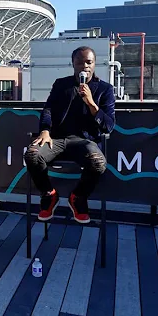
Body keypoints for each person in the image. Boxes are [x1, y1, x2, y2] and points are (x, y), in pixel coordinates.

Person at [24, 45, 115, 224]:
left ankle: (78, 197)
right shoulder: (61, 84)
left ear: (95, 64)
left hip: (84, 141)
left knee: (98, 163)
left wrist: (91, 104)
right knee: (32, 154)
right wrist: (45, 130)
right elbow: (48, 109)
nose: (85, 66)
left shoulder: (105, 89)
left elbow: (109, 126)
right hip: (56, 138)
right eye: (80, 62)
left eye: (89, 62)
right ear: (73, 64)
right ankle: (49, 195)